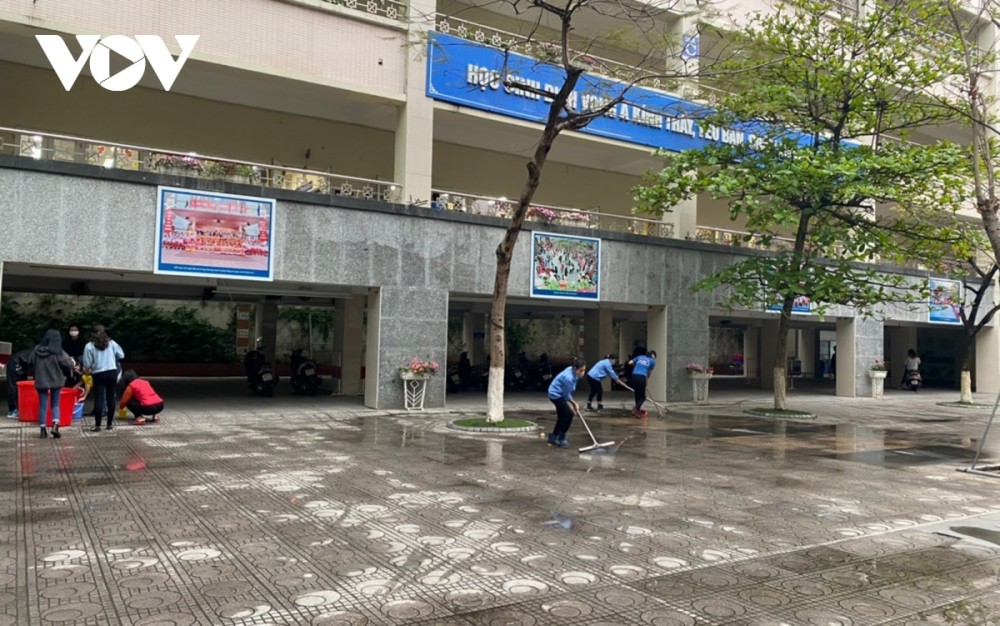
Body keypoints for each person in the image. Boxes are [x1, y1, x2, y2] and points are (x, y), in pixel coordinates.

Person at [26, 330, 75, 439]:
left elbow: (30, 362)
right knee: (55, 404)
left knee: (43, 405)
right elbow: (69, 363)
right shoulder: (57, 351)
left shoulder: (36, 350)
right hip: (56, 380)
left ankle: (43, 430)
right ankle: (55, 426)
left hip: (41, 380)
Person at [82, 325, 124, 432]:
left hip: (98, 374)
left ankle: (97, 425)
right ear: (105, 332)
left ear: (92, 333)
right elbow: (121, 355)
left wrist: (89, 369)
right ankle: (109, 424)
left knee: (99, 399)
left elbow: (87, 363)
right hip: (112, 372)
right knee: (110, 398)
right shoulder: (111, 343)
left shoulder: (89, 346)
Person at [547, 357, 587, 448]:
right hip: (555, 395)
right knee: (569, 414)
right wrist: (574, 403)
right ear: (574, 369)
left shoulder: (572, 371)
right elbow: (566, 394)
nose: (582, 373)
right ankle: (561, 438)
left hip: (560, 393)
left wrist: (572, 403)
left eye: (584, 370)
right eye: (580, 371)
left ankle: (553, 438)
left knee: (562, 416)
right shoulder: (568, 377)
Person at [628, 348, 656, 419]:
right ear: (653, 356)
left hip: (634, 376)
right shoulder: (652, 361)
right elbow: (649, 373)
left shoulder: (639, 357)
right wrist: (647, 381)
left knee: (637, 394)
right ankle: (635, 409)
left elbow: (630, 363)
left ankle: (637, 410)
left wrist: (636, 366)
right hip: (642, 377)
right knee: (643, 396)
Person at [5, 346, 32, 419]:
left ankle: (20, 408)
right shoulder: (41, 354)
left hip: (22, 363)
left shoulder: (40, 352)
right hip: (16, 362)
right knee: (13, 386)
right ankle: (12, 410)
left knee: (21, 387)